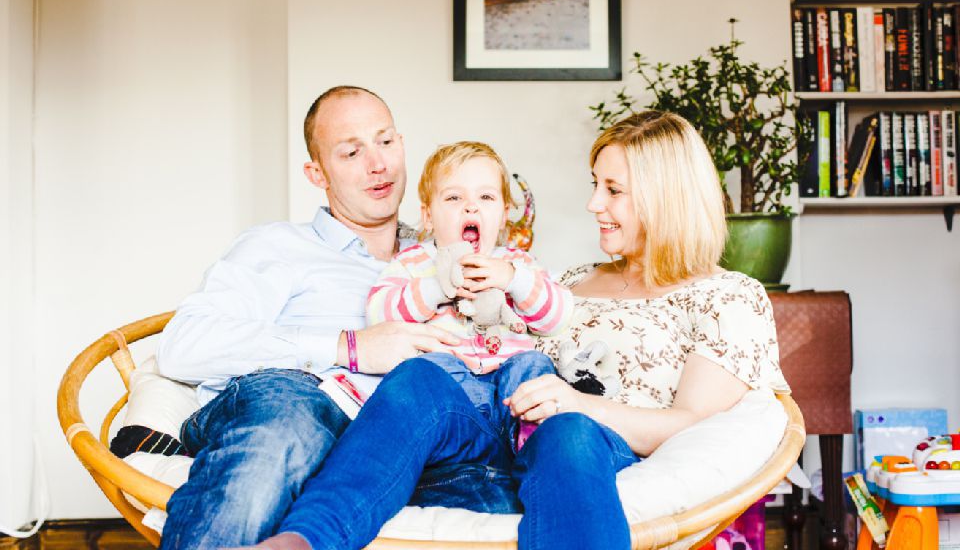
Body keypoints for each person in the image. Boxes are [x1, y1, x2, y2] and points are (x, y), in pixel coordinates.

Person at [250, 110, 790, 550]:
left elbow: (693, 423)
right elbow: (483, 337)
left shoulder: (727, 297)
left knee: (569, 431)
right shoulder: (575, 278)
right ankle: (302, 541)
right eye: (594, 185)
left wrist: (578, 405)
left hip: (577, 442)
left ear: (662, 197)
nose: (592, 204)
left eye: (612, 190)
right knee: (415, 380)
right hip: (486, 432)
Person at [153, 86, 519, 550]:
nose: (378, 164)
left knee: (505, 484)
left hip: (405, 441)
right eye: (351, 151)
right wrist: (350, 345)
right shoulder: (277, 246)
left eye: (386, 142)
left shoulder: (445, 257)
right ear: (317, 172)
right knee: (282, 432)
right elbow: (182, 347)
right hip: (301, 401)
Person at [366, 141, 571, 449]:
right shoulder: (414, 262)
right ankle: (460, 444)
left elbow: (557, 317)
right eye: (453, 197)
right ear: (428, 217)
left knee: (533, 364)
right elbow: (378, 313)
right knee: (425, 371)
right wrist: (437, 287)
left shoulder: (517, 264)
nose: (471, 207)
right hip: (453, 393)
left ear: (503, 216)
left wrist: (513, 280)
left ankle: (530, 440)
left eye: (486, 197)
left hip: (510, 389)